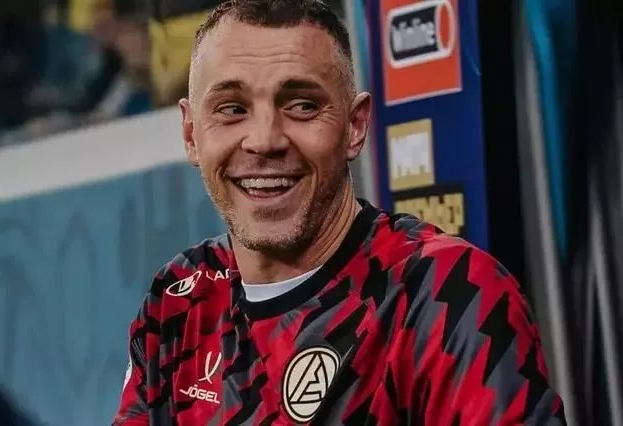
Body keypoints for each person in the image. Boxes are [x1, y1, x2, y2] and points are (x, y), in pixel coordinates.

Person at [113, 1, 566, 424]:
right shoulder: (177, 302)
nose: (265, 140)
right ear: (191, 134)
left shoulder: (444, 294)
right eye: (232, 109)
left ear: (355, 125)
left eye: (302, 106)